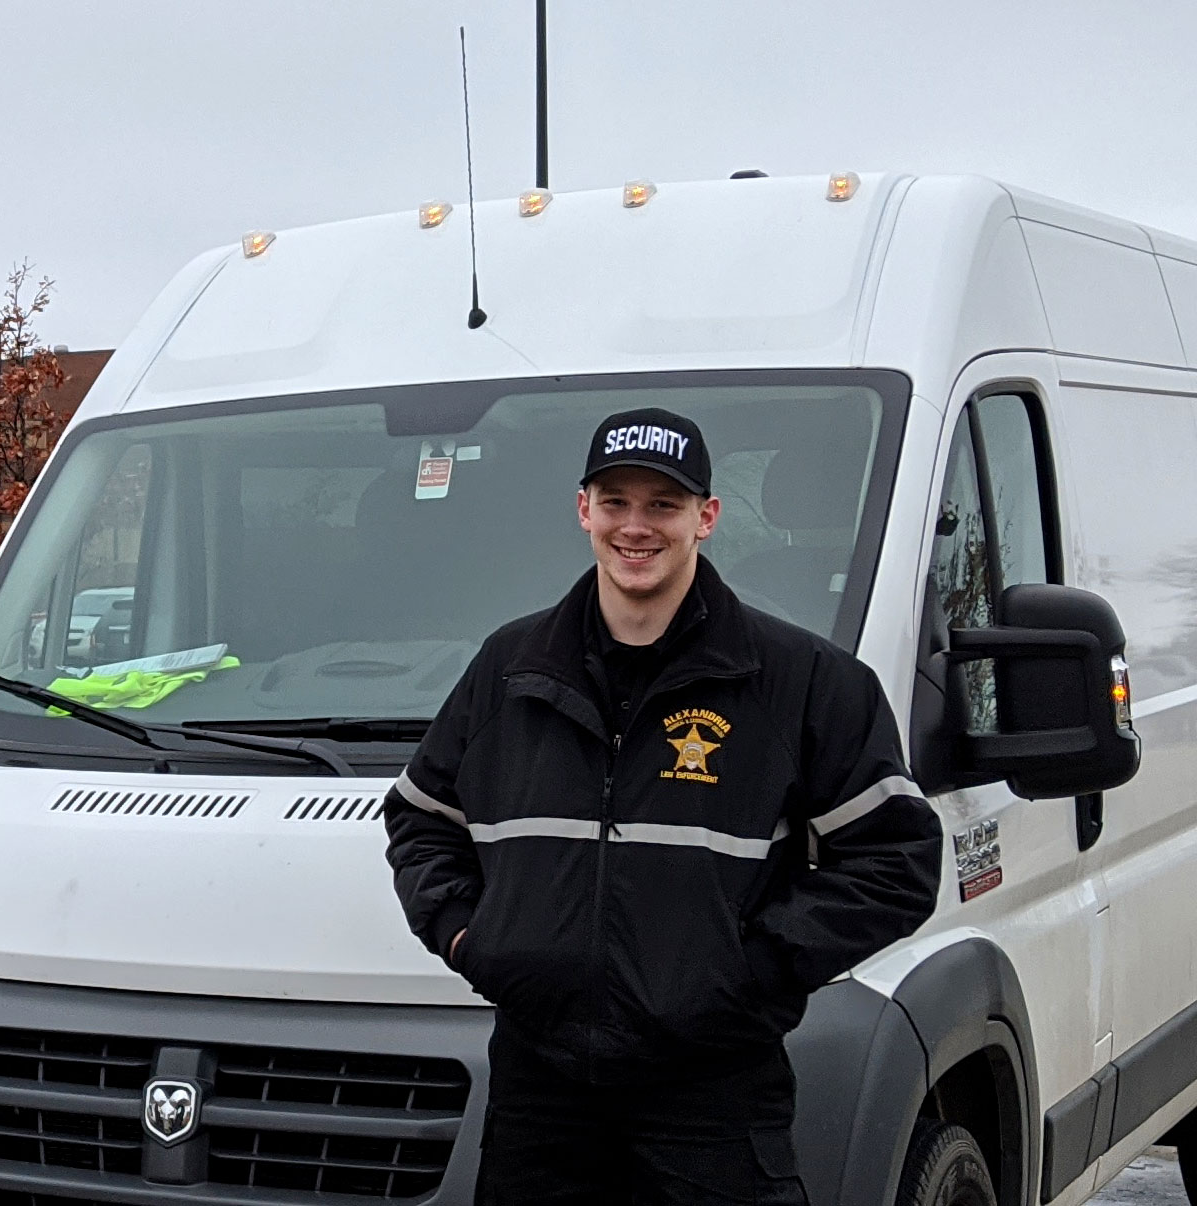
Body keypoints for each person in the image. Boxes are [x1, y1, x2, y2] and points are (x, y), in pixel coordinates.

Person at [382, 407, 942, 1204]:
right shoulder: (510, 668)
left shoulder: (801, 681)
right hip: (541, 1090)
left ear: (705, 518)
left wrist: (745, 974)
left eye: (663, 505)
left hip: (711, 1089)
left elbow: (897, 862)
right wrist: (475, 938)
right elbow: (420, 819)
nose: (635, 527)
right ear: (583, 510)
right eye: (615, 502)